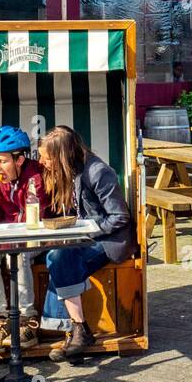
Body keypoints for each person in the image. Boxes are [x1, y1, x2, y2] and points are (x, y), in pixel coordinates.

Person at [40, 126, 138, 361]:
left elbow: (120, 217)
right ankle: (78, 332)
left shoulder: (97, 172)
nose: (42, 162)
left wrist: (86, 231)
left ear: (62, 156)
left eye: (46, 158)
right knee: (58, 259)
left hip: (111, 241)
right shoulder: (72, 169)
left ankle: (76, 331)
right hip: (87, 238)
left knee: (58, 260)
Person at [0, 126, 50, 353]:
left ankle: (27, 322)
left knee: (16, 255)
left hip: (37, 237)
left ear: (19, 159)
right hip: (7, 237)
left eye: (2, 161)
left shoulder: (37, 178)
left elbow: (31, 224)